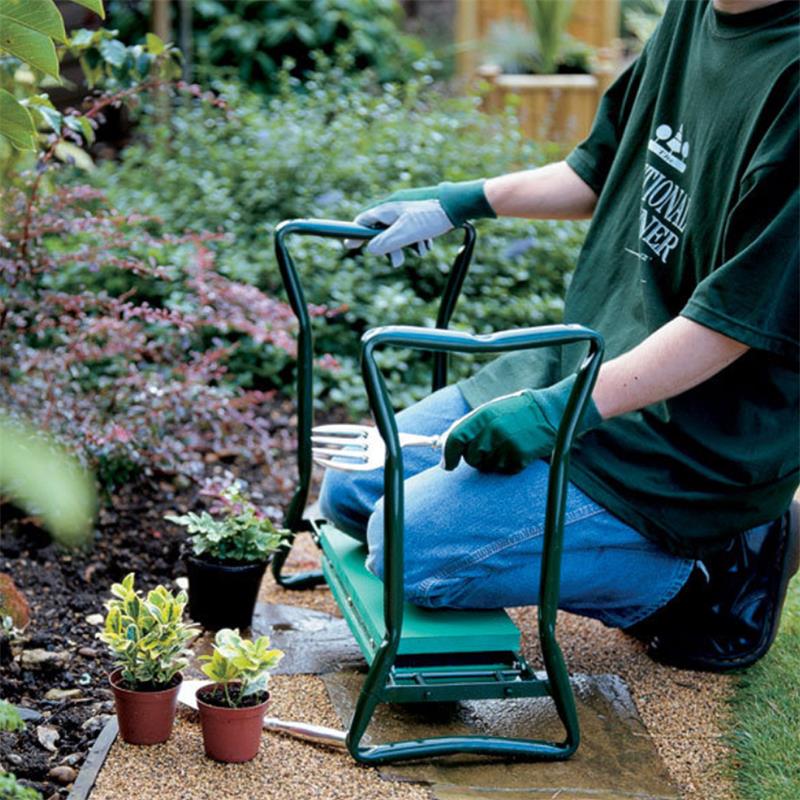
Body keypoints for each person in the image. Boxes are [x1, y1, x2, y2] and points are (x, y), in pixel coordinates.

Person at [320, 0, 799, 670]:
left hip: (689, 435)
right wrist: (458, 201)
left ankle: (707, 576)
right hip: (591, 360)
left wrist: (559, 412)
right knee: (352, 490)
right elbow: (599, 169)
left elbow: (730, 324)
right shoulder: (698, 9)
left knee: (403, 547)